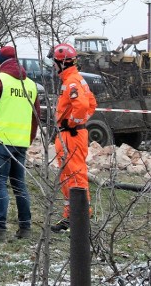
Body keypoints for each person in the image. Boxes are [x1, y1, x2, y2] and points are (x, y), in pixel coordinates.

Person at [0, 45, 40, 241]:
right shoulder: (30, 85)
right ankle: (25, 227)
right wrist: (28, 138)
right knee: (19, 185)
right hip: (20, 143)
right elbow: (36, 116)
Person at [50, 42, 97, 233]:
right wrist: (77, 122)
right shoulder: (75, 79)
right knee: (69, 175)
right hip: (72, 133)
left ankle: (80, 215)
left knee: (75, 175)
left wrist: (72, 122)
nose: (53, 66)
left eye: (55, 62)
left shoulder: (71, 82)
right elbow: (92, 103)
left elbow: (83, 105)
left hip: (72, 134)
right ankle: (73, 214)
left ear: (62, 63)